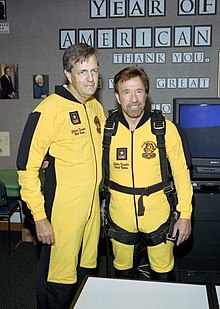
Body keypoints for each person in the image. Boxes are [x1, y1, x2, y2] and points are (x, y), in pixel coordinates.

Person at [16, 43, 105, 309]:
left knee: (84, 282)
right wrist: (40, 218)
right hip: (61, 218)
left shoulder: (95, 108)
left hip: (90, 219)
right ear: (68, 74)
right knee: (58, 286)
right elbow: (26, 168)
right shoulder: (48, 110)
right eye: (83, 72)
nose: (91, 78)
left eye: (95, 71)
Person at [102, 66, 193, 281]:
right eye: (126, 92)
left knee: (163, 276)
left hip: (159, 217)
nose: (133, 99)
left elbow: (181, 173)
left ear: (146, 93)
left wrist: (185, 215)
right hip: (119, 217)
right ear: (117, 96)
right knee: (123, 276)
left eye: (139, 91)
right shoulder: (107, 130)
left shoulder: (164, 129)